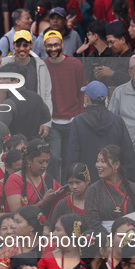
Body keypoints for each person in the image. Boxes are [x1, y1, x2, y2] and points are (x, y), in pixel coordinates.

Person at [65, 81, 135, 184]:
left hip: (87, 185)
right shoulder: (117, 121)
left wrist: (72, 182)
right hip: (113, 183)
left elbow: (73, 156)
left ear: (86, 98)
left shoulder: (78, 122)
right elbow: (128, 154)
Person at [43, 30, 86, 181]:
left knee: (71, 160)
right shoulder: (42, 66)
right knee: (53, 159)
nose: (53, 48)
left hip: (73, 120)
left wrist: (80, 114)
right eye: (49, 45)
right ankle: (55, 191)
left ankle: (70, 189)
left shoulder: (75, 64)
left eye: (56, 45)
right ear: (44, 46)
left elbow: (82, 91)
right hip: (52, 122)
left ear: (62, 44)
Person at [85, 145, 135, 232]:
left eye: (103, 162)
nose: (98, 165)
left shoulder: (134, 189)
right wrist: (109, 240)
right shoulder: (93, 190)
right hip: (103, 240)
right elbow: (93, 223)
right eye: (97, 161)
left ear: (116, 165)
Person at [4, 139, 63, 216]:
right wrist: (43, 202)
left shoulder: (47, 177)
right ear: (28, 160)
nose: (45, 165)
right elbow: (16, 213)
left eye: (47, 162)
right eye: (41, 162)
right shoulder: (15, 180)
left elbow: (63, 195)